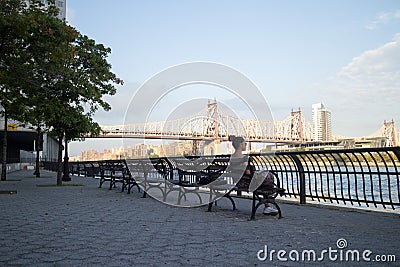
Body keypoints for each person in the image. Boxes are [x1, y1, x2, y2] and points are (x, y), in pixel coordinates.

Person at [230, 136, 278, 215]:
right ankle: (267, 206)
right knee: (269, 176)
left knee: (265, 178)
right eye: (245, 143)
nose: (245, 145)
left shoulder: (232, 157)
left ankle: (268, 206)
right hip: (246, 183)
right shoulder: (243, 158)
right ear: (240, 145)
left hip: (238, 182)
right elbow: (248, 173)